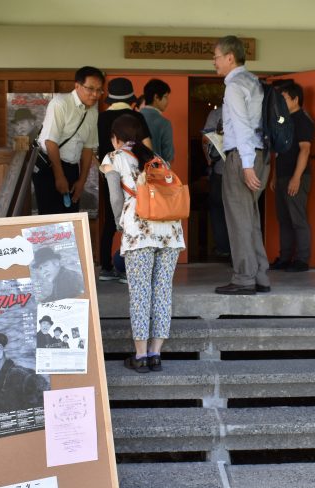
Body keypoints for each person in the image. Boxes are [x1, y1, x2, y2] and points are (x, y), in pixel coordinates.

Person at [100, 114, 185, 373]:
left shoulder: (113, 158)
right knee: (162, 291)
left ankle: (140, 356)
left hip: (140, 231)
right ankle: (155, 354)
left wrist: (119, 222)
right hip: (170, 231)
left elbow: (116, 197)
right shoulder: (158, 159)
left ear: (115, 138)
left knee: (140, 293)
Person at [212, 35, 270, 295]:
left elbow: (243, 127)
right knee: (251, 218)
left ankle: (244, 278)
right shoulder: (254, 81)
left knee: (238, 220)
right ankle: (260, 276)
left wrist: (246, 165)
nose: (214, 63)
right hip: (260, 155)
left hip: (243, 157)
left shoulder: (235, 85)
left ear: (229, 57)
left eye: (216, 57)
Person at [97, 78, 152, 282]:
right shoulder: (137, 117)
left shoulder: (101, 118)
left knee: (112, 218)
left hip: (109, 170)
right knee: (138, 218)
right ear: (131, 97)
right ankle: (130, 268)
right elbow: (148, 147)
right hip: (137, 178)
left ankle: (105, 267)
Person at [33, 66, 103, 215]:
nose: (95, 94)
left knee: (71, 217)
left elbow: (88, 148)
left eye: (99, 90)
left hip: (72, 169)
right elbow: (50, 142)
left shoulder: (93, 112)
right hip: (50, 166)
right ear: (77, 86)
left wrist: (81, 181)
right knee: (50, 219)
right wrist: (59, 176)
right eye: (90, 89)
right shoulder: (60, 103)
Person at [269, 82, 314, 273]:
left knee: (298, 219)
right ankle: (285, 257)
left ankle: (302, 260)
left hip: (296, 176)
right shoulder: (283, 119)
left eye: (284, 99)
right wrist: (274, 176)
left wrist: (296, 178)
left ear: (295, 99)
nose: (280, 102)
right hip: (281, 175)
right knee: (284, 219)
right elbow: (278, 150)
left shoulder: (302, 120)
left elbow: (305, 149)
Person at [202, 104, 230, 258]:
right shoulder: (250, 110)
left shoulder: (217, 114)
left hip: (220, 169)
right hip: (245, 171)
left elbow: (206, 140)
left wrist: (208, 161)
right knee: (238, 210)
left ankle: (223, 247)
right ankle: (238, 250)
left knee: (218, 208)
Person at [141, 79, 174, 163]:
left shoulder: (133, 117)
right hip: (154, 172)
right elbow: (168, 157)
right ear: (156, 97)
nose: (167, 101)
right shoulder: (164, 123)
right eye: (165, 97)